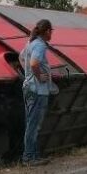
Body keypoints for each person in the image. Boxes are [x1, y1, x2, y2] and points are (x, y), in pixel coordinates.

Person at [20, 19, 53, 166]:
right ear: (47, 31)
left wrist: (29, 75)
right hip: (37, 90)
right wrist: (39, 76)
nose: (51, 34)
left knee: (31, 123)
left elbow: (22, 58)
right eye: (51, 31)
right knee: (34, 124)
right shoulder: (40, 45)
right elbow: (34, 63)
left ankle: (33, 155)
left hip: (29, 87)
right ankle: (29, 157)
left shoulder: (30, 43)